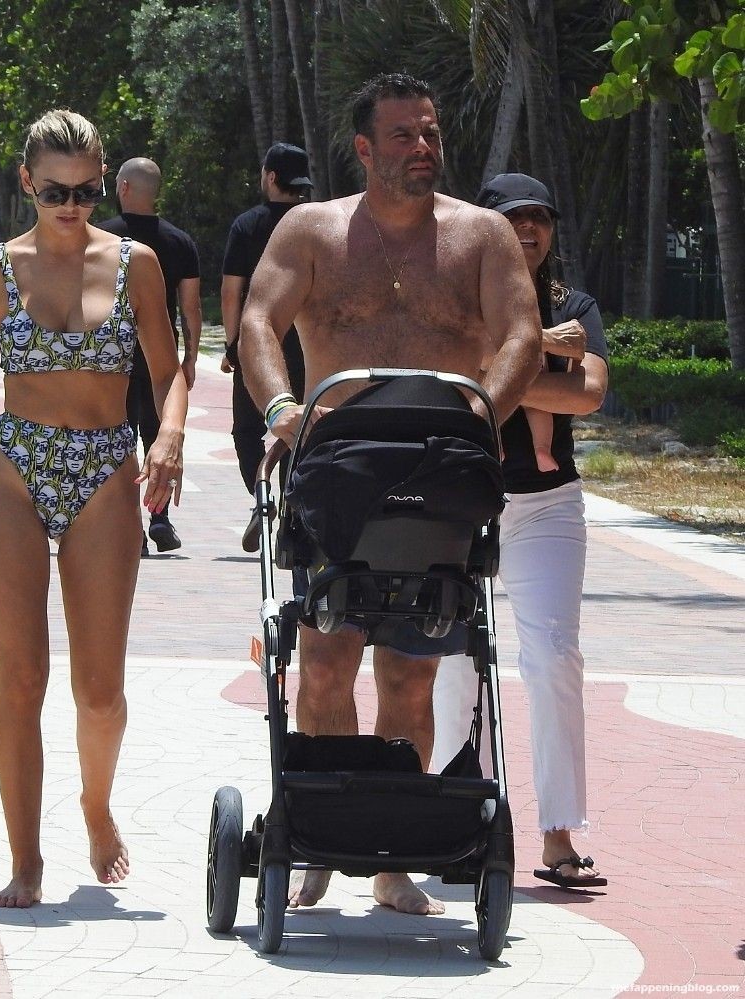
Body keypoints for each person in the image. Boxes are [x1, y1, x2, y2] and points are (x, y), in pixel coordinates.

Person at [238, 73, 541, 915]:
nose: (423, 148)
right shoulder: (312, 230)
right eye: (404, 135)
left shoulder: (481, 235)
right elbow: (258, 321)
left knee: (410, 672)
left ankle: (392, 859)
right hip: (338, 471)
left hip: (439, 475)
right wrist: (284, 410)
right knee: (325, 660)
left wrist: (484, 415)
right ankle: (323, 835)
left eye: (431, 133)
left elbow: (520, 333)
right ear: (365, 148)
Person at [0, 108, 188, 908]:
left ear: (103, 183)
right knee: (22, 676)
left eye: (86, 190)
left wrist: (169, 437)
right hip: (15, 467)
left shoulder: (136, 264)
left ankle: (96, 806)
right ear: (27, 184)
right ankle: (25, 859)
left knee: (99, 691)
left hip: (105, 467)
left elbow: (168, 370)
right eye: (55, 192)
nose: (72, 206)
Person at [432, 172, 610, 890]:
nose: (529, 228)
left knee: (555, 657)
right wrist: (536, 359)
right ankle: (453, 823)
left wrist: (497, 366)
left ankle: (559, 831)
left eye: (540, 217)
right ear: (487, 228)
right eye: (513, 218)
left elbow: (588, 393)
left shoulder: (575, 306)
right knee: (453, 660)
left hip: (547, 507)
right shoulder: (455, 299)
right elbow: (445, 372)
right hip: (463, 499)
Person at [98, 157, 202, 555]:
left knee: (119, 443)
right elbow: (190, 308)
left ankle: (133, 529)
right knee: (160, 438)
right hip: (161, 356)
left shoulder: (103, 238)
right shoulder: (180, 242)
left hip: (112, 358)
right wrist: (190, 358)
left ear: (123, 187)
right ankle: (160, 518)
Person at [222, 142, 310, 550]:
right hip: (305, 346)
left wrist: (233, 344)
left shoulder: (248, 225)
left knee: (246, 430)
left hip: (259, 344)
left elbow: (231, 290)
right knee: (300, 428)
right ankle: (293, 508)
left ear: (271, 177)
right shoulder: (314, 222)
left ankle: (262, 498)